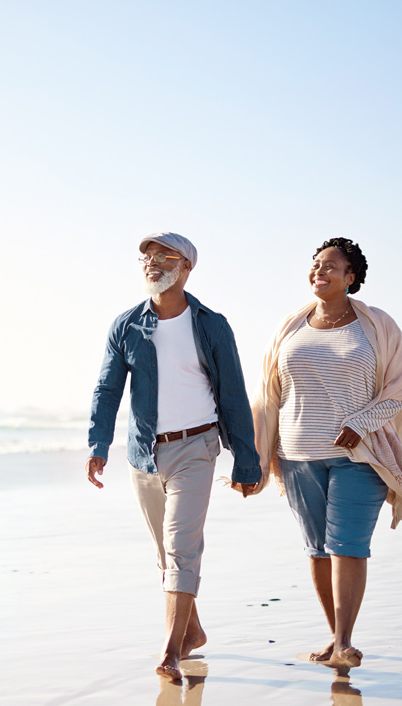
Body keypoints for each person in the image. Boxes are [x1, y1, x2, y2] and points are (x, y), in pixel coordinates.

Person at [86, 231, 260, 683]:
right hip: (143, 454)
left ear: (187, 267)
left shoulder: (211, 324)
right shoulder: (126, 326)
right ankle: (193, 630)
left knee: (181, 549)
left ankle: (169, 651)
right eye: (147, 255)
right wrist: (97, 444)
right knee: (165, 555)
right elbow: (107, 390)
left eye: (165, 255)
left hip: (196, 448)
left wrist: (247, 459)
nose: (153, 262)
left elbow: (233, 393)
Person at [244, 237, 402, 669]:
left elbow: (401, 389)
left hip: (360, 457)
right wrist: (256, 457)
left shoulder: (376, 326)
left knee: (348, 546)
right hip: (298, 456)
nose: (320, 272)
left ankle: (344, 641)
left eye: (331, 267)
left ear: (350, 278)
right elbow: (267, 396)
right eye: (316, 265)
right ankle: (332, 636)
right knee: (318, 549)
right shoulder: (290, 326)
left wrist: (360, 424)